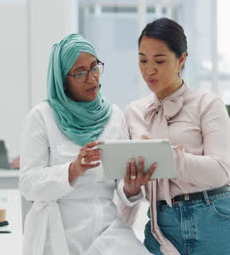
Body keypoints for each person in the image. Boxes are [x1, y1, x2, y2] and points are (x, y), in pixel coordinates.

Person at [121, 18, 230, 255]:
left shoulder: (207, 104)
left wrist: (165, 157)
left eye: (159, 60)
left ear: (181, 59)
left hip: (214, 215)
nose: (149, 70)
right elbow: (135, 181)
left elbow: (220, 170)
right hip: (162, 223)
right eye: (142, 60)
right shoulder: (133, 113)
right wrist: (130, 188)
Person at [19, 34, 153, 255]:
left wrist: (131, 185)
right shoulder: (42, 117)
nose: (92, 79)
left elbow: (121, 184)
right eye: (80, 73)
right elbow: (28, 184)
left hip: (106, 227)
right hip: (59, 231)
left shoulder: (113, 116)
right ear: (62, 80)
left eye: (94, 68)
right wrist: (72, 170)